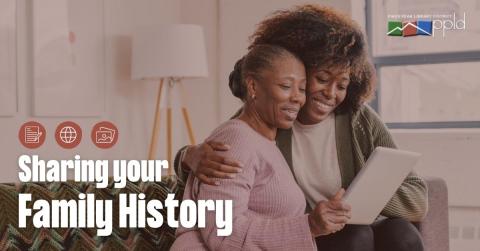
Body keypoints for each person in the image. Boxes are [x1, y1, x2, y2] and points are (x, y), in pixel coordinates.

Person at [174, 5, 428, 251]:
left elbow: (417, 197)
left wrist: (359, 198)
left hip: (351, 225)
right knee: (355, 236)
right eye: (322, 79)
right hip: (311, 234)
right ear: (302, 69)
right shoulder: (273, 118)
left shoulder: (358, 120)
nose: (330, 94)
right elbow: (232, 146)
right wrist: (187, 156)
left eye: (341, 85)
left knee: (402, 234)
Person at [171, 44, 351, 251]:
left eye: (301, 89)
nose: (297, 98)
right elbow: (222, 232)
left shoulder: (265, 143)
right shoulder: (236, 140)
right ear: (253, 87)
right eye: (285, 86)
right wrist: (309, 226)